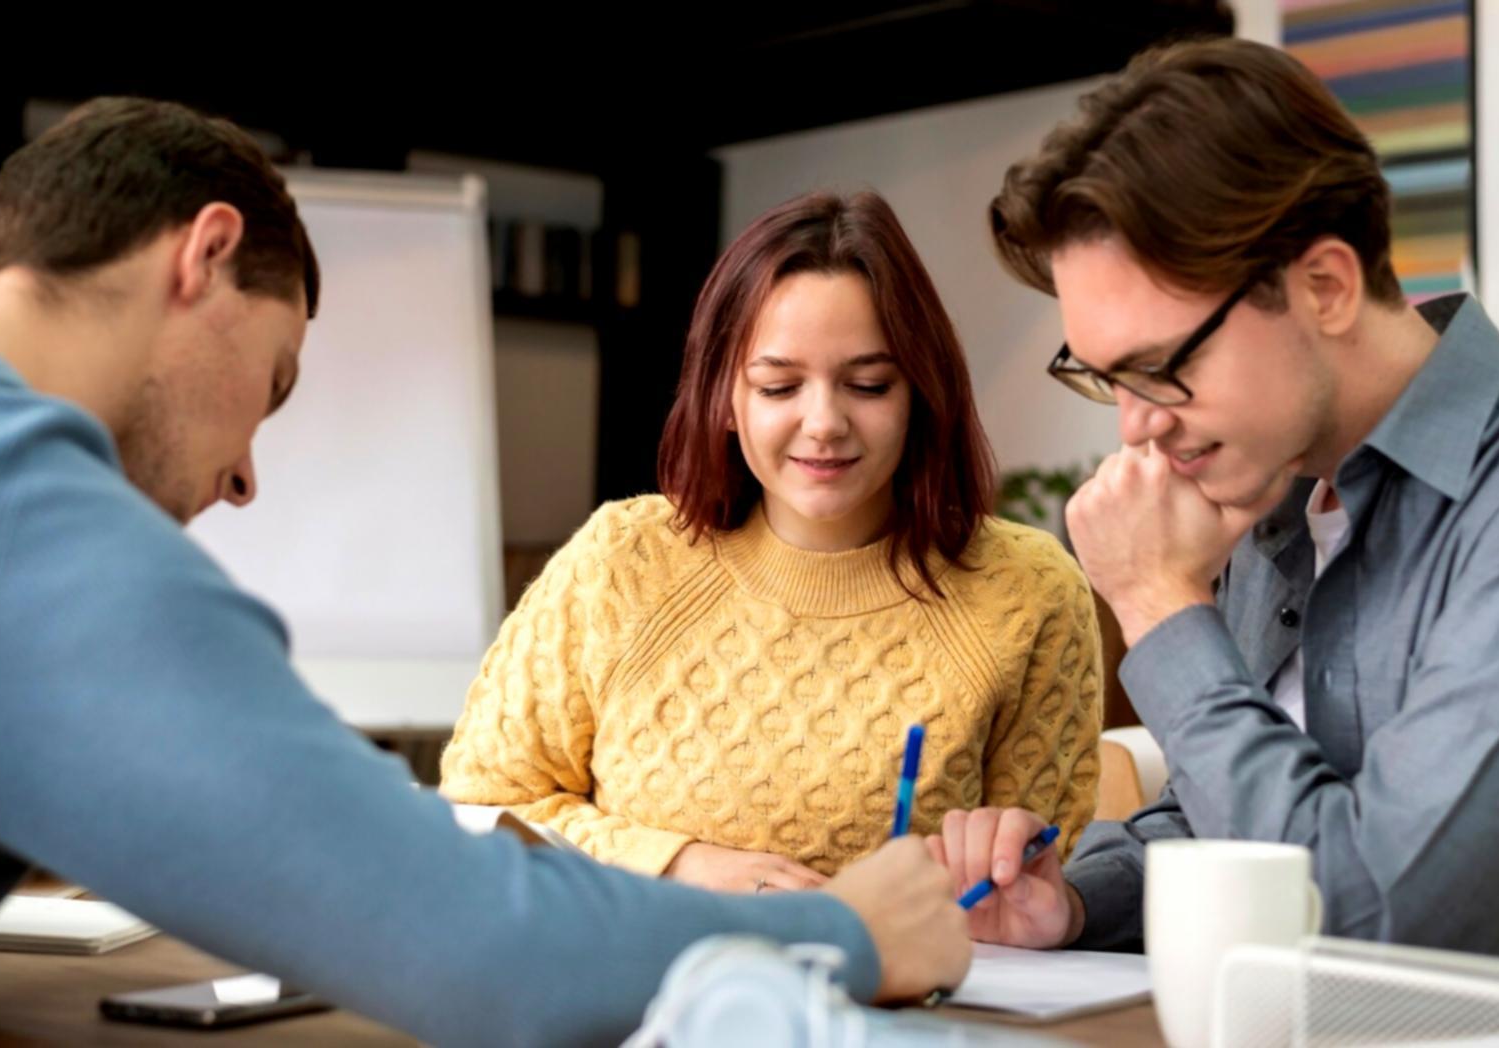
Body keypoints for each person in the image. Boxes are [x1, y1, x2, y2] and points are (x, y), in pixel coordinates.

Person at [0, 98, 972, 1048]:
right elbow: (480, 951)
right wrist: (843, 931)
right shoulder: (14, 525)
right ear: (204, 256)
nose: (241, 480)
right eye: (271, 387)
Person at [945, 36, 1499, 985]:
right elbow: (1238, 804)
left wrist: (1161, 607)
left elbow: (1389, 927)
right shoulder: (1272, 480)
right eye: (1104, 378)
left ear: (1327, 287)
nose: (1135, 427)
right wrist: (1085, 899)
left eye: (1160, 368)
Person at [441, 190, 1104, 926]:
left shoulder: (1026, 591)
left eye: (869, 384)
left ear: (922, 390)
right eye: (778, 385)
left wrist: (998, 890)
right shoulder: (619, 562)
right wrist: (682, 866)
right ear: (725, 397)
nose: (823, 423)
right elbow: (481, 809)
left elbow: (1043, 884)